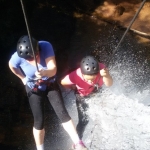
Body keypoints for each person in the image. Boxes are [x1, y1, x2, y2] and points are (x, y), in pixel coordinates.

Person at [8, 35, 88, 150]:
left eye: (31, 58)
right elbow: (11, 65)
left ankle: (78, 143)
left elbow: (53, 69)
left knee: (62, 113)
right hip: (33, 88)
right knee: (39, 121)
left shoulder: (45, 46)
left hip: (50, 83)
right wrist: (22, 78)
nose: (29, 61)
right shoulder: (17, 57)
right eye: (27, 59)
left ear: (37, 50)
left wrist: (45, 72)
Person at [61, 55, 113, 138]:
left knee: (105, 112)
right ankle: (78, 142)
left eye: (93, 79)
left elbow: (109, 84)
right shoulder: (76, 75)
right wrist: (72, 87)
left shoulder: (102, 69)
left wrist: (106, 75)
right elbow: (63, 82)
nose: (90, 81)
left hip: (96, 91)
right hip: (82, 95)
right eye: (87, 79)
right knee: (84, 120)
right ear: (82, 73)